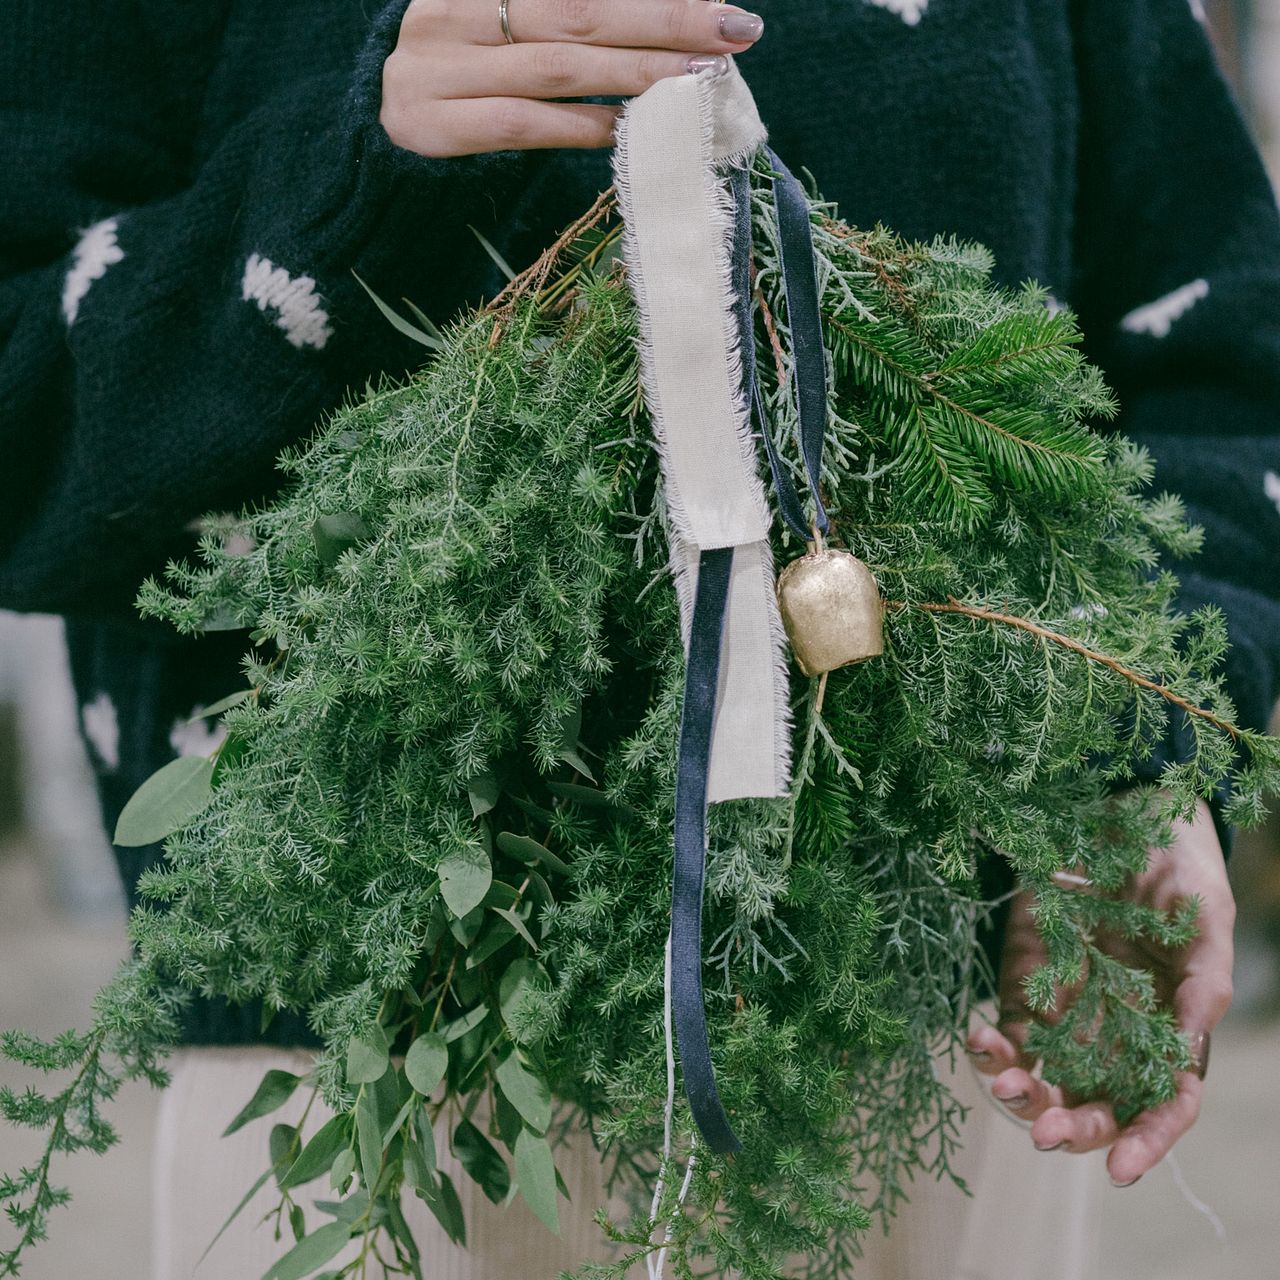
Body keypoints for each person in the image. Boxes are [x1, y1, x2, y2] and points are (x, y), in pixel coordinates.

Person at [1, 1, 1276, 1276]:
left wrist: (1139, 740)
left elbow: (1220, 355)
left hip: (932, 1044)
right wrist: (339, 187)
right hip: (368, 1060)